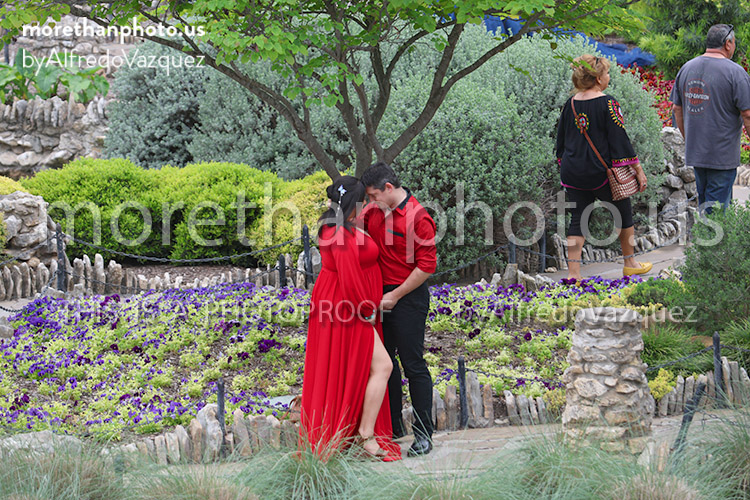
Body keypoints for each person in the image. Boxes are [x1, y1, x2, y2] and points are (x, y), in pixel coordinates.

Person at [299, 175, 401, 462]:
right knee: (382, 366)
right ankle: (366, 436)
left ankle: (361, 434)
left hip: (342, 305)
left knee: (356, 368)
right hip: (346, 308)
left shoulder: (338, 226)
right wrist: (366, 310)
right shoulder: (340, 234)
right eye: (364, 201)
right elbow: (349, 278)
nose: (367, 205)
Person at [361, 162, 437, 457]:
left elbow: (426, 266)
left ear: (389, 188)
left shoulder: (419, 217)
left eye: (373, 195)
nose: (370, 201)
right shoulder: (374, 211)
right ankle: (392, 428)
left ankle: (424, 434)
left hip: (408, 297)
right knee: (385, 364)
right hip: (379, 296)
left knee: (413, 365)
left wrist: (395, 295)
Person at [555, 54, 651, 281]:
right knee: (623, 213)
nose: (609, 77)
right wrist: (637, 169)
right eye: (607, 73)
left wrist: (564, 162)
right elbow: (620, 139)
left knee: (578, 218)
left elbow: (561, 140)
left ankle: (573, 274)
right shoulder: (608, 103)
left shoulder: (570, 104)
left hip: (573, 172)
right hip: (601, 173)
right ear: (598, 79)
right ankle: (630, 263)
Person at [671, 23, 750, 213]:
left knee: (705, 204)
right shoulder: (735, 73)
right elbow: (747, 114)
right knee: (716, 212)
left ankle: (705, 231)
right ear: (728, 44)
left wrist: (689, 139)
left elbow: (676, 109)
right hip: (722, 155)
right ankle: (709, 233)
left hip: (697, 153)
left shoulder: (687, 68)